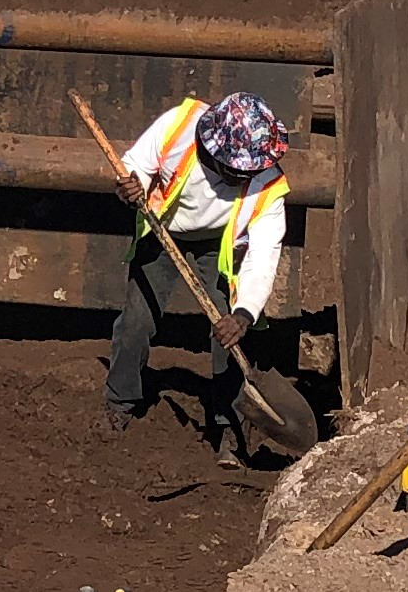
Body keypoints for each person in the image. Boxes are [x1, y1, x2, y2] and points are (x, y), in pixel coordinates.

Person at [105, 89, 289, 436]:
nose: (246, 177)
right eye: (238, 170)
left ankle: (229, 426)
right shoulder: (177, 126)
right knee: (136, 322)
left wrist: (244, 314)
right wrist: (132, 187)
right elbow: (136, 166)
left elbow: (264, 255)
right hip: (162, 228)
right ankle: (120, 401)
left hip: (218, 244)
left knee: (228, 333)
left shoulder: (269, 184)